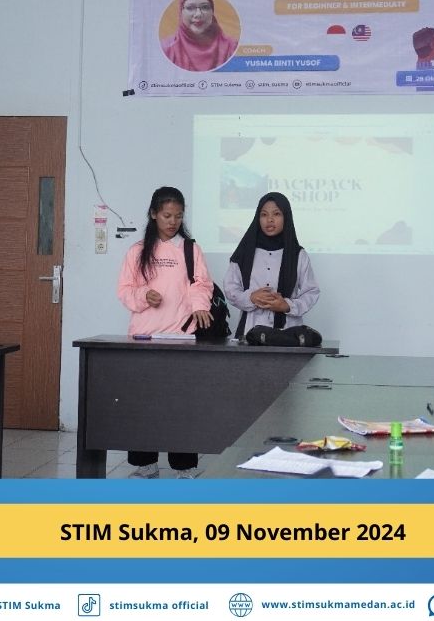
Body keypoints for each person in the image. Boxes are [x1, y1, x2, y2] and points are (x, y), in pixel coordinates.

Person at [116, 186, 213, 477]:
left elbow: (201, 284)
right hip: (143, 337)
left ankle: (184, 467)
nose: (173, 221)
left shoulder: (190, 249)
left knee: (181, 405)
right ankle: (145, 464)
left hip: (180, 337)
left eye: (178, 216)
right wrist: (144, 295)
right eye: (167, 215)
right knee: (143, 404)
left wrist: (200, 306)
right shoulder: (137, 251)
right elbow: (124, 289)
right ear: (153, 214)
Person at [224, 192, 320, 337]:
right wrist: (251, 298)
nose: (269, 220)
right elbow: (230, 287)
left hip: (287, 334)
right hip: (249, 330)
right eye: (264, 215)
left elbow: (311, 291)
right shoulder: (245, 252)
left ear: (286, 217)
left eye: (276, 214)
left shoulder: (297, 254)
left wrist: (287, 305)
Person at [160, 0, 238, 71]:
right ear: (181, 11)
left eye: (205, 7)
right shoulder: (167, 49)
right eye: (190, 8)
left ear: (212, 11)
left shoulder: (231, 47)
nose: (198, 14)